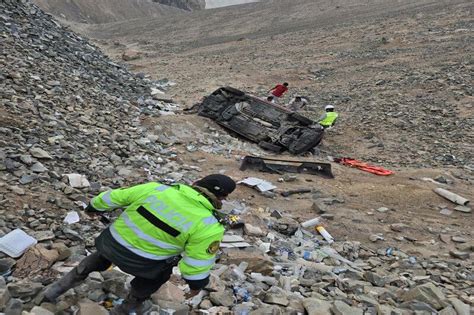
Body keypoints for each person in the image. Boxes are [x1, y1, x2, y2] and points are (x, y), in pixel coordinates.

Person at [41, 174, 236, 314]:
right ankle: (126, 307)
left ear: (196, 183)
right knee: (157, 277)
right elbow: (196, 263)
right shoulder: (209, 225)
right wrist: (196, 286)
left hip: (111, 245)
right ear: (222, 199)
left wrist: (94, 207)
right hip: (145, 265)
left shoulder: (156, 189)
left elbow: (114, 197)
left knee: (98, 258)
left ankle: (55, 290)